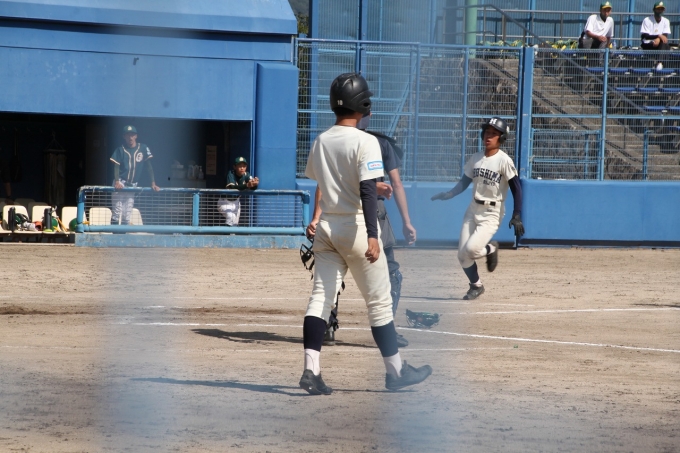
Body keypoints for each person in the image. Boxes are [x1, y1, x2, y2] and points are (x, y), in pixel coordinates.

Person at [299, 72, 432, 395]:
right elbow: (368, 190)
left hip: (328, 228)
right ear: (363, 104)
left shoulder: (321, 140)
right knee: (379, 304)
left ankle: (311, 371)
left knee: (320, 299)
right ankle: (396, 372)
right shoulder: (366, 141)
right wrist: (374, 234)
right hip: (357, 228)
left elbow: (322, 183)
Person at [307, 113, 416, 348]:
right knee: (391, 273)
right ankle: (387, 332)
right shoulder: (378, 142)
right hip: (370, 213)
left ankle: (327, 327)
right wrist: (406, 221)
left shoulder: (329, 139)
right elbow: (395, 184)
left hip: (335, 214)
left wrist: (316, 217)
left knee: (329, 278)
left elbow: (323, 184)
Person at [431, 117, 524, 301]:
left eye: (494, 134)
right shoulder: (476, 158)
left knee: (472, 250)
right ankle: (476, 286)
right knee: (462, 255)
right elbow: (465, 181)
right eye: (487, 132)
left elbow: (517, 188)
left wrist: (517, 214)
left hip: (492, 212)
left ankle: (491, 248)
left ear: (502, 138)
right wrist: (450, 194)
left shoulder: (504, 161)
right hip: (473, 209)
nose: (488, 136)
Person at [109, 125, 159, 225]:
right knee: (117, 212)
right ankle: (114, 234)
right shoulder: (120, 149)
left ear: (136, 136)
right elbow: (116, 166)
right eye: (128, 135)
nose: (130, 137)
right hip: (121, 183)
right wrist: (117, 181)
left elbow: (149, 167)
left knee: (127, 214)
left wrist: (153, 183)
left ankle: (123, 234)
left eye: (132, 135)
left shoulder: (143, 148)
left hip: (132, 185)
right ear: (124, 136)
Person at [217, 157, 259, 226]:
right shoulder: (231, 174)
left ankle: (229, 232)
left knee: (234, 224)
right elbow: (232, 188)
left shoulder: (246, 175)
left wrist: (254, 184)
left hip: (236, 202)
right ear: (234, 167)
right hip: (225, 202)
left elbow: (252, 186)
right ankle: (225, 233)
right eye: (240, 166)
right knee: (231, 217)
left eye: (244, 166)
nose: (242, 168)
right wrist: (247, 185)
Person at [641, 2, 671, 71]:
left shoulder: (666, 21)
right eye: (658, 9)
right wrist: (658, 36)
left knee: (665, 44)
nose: (660, 11)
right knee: (665, 46)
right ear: (654, 10)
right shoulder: (647, 20)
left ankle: (660, 63)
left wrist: (658, 39)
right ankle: (661, 64)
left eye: (661, 9)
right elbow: (645, 36)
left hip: (659, 45)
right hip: (648, 44)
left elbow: (665, 36)